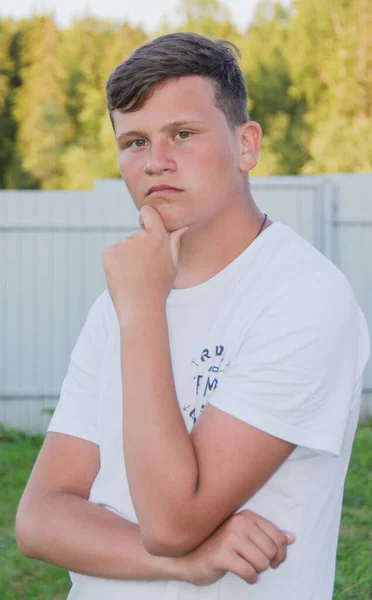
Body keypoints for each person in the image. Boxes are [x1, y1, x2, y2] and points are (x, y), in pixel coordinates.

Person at [16, 32, 370, 600]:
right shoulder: (123, 298)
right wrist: (186, 565)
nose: (156, 162)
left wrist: (141, 315)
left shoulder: (304, 297)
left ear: (246, 145)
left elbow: (172, 522)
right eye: (134, 141)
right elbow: (40, 519)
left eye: (183, 134)